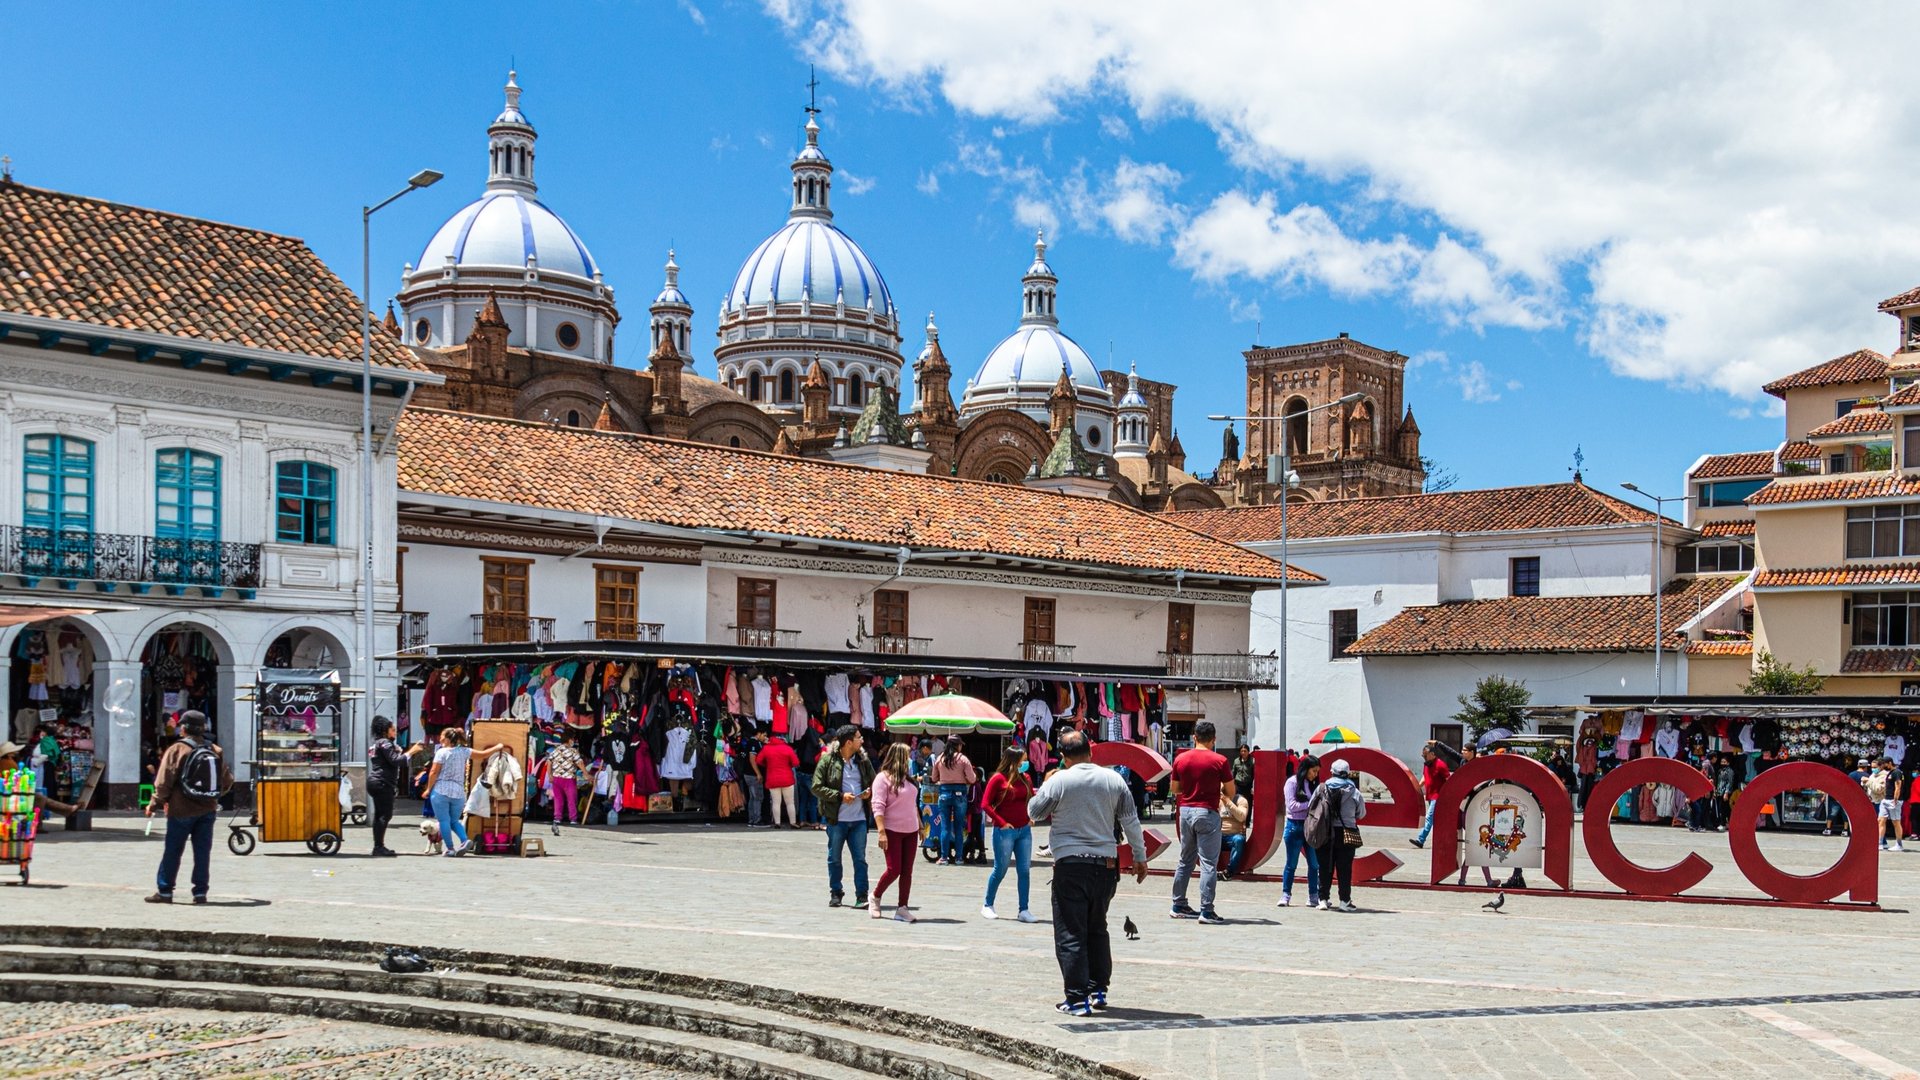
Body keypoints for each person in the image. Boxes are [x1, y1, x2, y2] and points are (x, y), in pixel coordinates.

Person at [1028, 730, 1146, 1018]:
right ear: (1090, 752)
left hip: (1071, 866)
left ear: (1065, 757)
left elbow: (1034, 812)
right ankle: (1098, 990)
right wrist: (1140, 858)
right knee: (1097, 929)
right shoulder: (1114, 780)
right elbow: (1131, 822)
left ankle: (1077, 999)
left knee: (1071, 933)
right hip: (1106, 867)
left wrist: (1045, 785)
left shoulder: (1060, 781)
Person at [145, 711, 231, 904]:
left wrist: (154, 804)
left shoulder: (177, 749)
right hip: (207, 810)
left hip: (180, 810)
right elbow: (226, 780)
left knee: (173, 850)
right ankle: (200, 893)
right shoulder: (215, 749)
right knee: (202, 852)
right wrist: (212, 797)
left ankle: (165, 891)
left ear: (183, 728)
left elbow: (163, 781)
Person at [1168, 720, 1233, 924]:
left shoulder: (1181, 759)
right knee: (1208, 863)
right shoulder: (1220, 760)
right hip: (1207, 812)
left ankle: (1178, 904)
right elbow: (1230, 791)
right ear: (1214, 739)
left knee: (1185, 859)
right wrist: (1217, 789)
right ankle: (1207, 910)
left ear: (1194, 737)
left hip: (1185, 811)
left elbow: (1175, 789)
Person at [810, 725, 873, 907]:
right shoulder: (828, 761)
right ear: (848, 742)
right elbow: (816, 787)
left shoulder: (863, 760)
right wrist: (839, 796)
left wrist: (869, 792)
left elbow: (874, 782)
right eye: (858, 738)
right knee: (834, 858)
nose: (861, 741)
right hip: (836, 820)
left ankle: (862, 895)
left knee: (860, 859)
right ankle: (836, 892)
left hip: (859, 819)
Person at [423, 728, 509, 857]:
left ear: (446, 739)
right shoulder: (464, 751)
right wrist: (498, 747)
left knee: (444, 821)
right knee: (454, 821)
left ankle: (450, 848)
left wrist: (428, 789)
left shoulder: (441, 752)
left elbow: (434, 772)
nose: (440, 738)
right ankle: (464, 840)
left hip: (441, 790)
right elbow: (483, 754)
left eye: (441, 736)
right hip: (458, 792)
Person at [981, 746, 1036, 922]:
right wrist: (1001, 822)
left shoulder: (1026, 777)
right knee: (1001, 869)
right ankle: (988, 904)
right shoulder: (998, 778)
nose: (1025, 763)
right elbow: (985, 804)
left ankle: (1024, 909)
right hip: (1005, 832)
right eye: (1023, 760)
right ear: (1013, 761)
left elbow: (1031, 799)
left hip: (1024, 831)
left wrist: (1032, 816)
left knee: (1024, 870)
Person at [870, 743, 922, 922]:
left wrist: (920, 825)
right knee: (894, 869)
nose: (911, 759)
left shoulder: (908, 779)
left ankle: (902, 907)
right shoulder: (882, 779)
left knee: (907, 871)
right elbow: (877, 805)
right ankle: (875, 896)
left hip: (911, 830)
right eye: (908, 756)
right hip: (892, 829)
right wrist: (881, 831)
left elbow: (913, 804)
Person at [1312, 759, 1366, 912]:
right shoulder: (1354, 791)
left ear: (1331, 772)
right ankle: (1344, 900)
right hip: (1346, 833)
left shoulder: (1321, 788)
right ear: (1348, 773)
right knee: (1344, 868)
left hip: (1325, 831)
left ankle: (1322, 899)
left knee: (1324, 866)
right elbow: (1361, 813)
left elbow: (1312, 806)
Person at [1277, 754, 1321, 907]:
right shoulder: (1292, 782)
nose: (1315, 774)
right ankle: (1286, 894)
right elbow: (1292, 806)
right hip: (1294, 826)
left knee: (1314, 864)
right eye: (1313, 771)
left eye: (1317, 772)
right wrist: (1311, 804)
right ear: (1306, 769)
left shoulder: (1313, 784)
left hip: (1310, 827)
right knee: (1291, 863)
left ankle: (1313, 895)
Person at [365, 717, 410, 856]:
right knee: (385, 814)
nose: (395, 733)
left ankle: (378, 846)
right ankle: (379, 846)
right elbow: (395, 761)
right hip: (382, 782)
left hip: (375, 781)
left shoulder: (377, 743)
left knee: (380, 815)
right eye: (393, 730)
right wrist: (411, 752)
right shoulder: (385, 743)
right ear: (385, 731)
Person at [930, 737, 978, 866]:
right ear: (957, 746)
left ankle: (944, 858)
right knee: (958, 827)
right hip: (960, 793)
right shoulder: (963, 759)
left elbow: (934, 778)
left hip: (944, 793)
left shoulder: (940, 758)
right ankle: (959, 858)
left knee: (945, 827)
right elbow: (972, 779)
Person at [1408, 741, 1450, 849]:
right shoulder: (1427, 765)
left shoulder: (1441, 765)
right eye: (1423, 756)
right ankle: (1442, 840)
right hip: (1430, 796)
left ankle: (1421, 840)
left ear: (1432, 754)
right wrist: (1416, 787)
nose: (1424, 758)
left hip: (1438, 796)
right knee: (1436, 820)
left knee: (1429, 817)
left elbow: (1448, 780)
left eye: (1426, 755)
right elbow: (1424, 778)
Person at [757, 733, 802, 828]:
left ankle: (777, 823)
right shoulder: (787, 748)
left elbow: (758, 760)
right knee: (790, 802)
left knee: (776, 802)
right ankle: (792, 822)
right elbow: (796, 762)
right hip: (787, 778)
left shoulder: (766, 748)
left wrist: (767, 765)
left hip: (772, 778)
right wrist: (788, 765)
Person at [546, 733, 587, 827]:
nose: (573, 741)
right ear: (569, 740)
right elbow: (580, 763)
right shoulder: (573, 751)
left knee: (558, 799)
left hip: (556, 778)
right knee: (572, 799)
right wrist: (586, 774)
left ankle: (557, 818)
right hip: (569, 779)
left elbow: (549, 762)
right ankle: (573, 819)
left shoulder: (556, 750)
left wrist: (550, 775)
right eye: (572, 739)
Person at [1876, 758, 1907, 852]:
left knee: (1896, 822)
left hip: (1894, 801)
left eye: (1884, 764)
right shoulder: (1889, 773)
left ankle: (1899, 844)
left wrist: (1895, 799)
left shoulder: (1897, 772)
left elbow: (1898, 786)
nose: (1883, 766)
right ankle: (1880, 843)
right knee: (1880, 820)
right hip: (1886, 799)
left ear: (1889, 763)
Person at [1219, 786, 1250, 877]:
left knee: (1238, 840)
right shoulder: (1218, 801)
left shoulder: (1241, 800)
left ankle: (1230, 871)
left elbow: (1241, 817)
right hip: (1219, 836)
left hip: (1234, 836)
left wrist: (1228, 802)